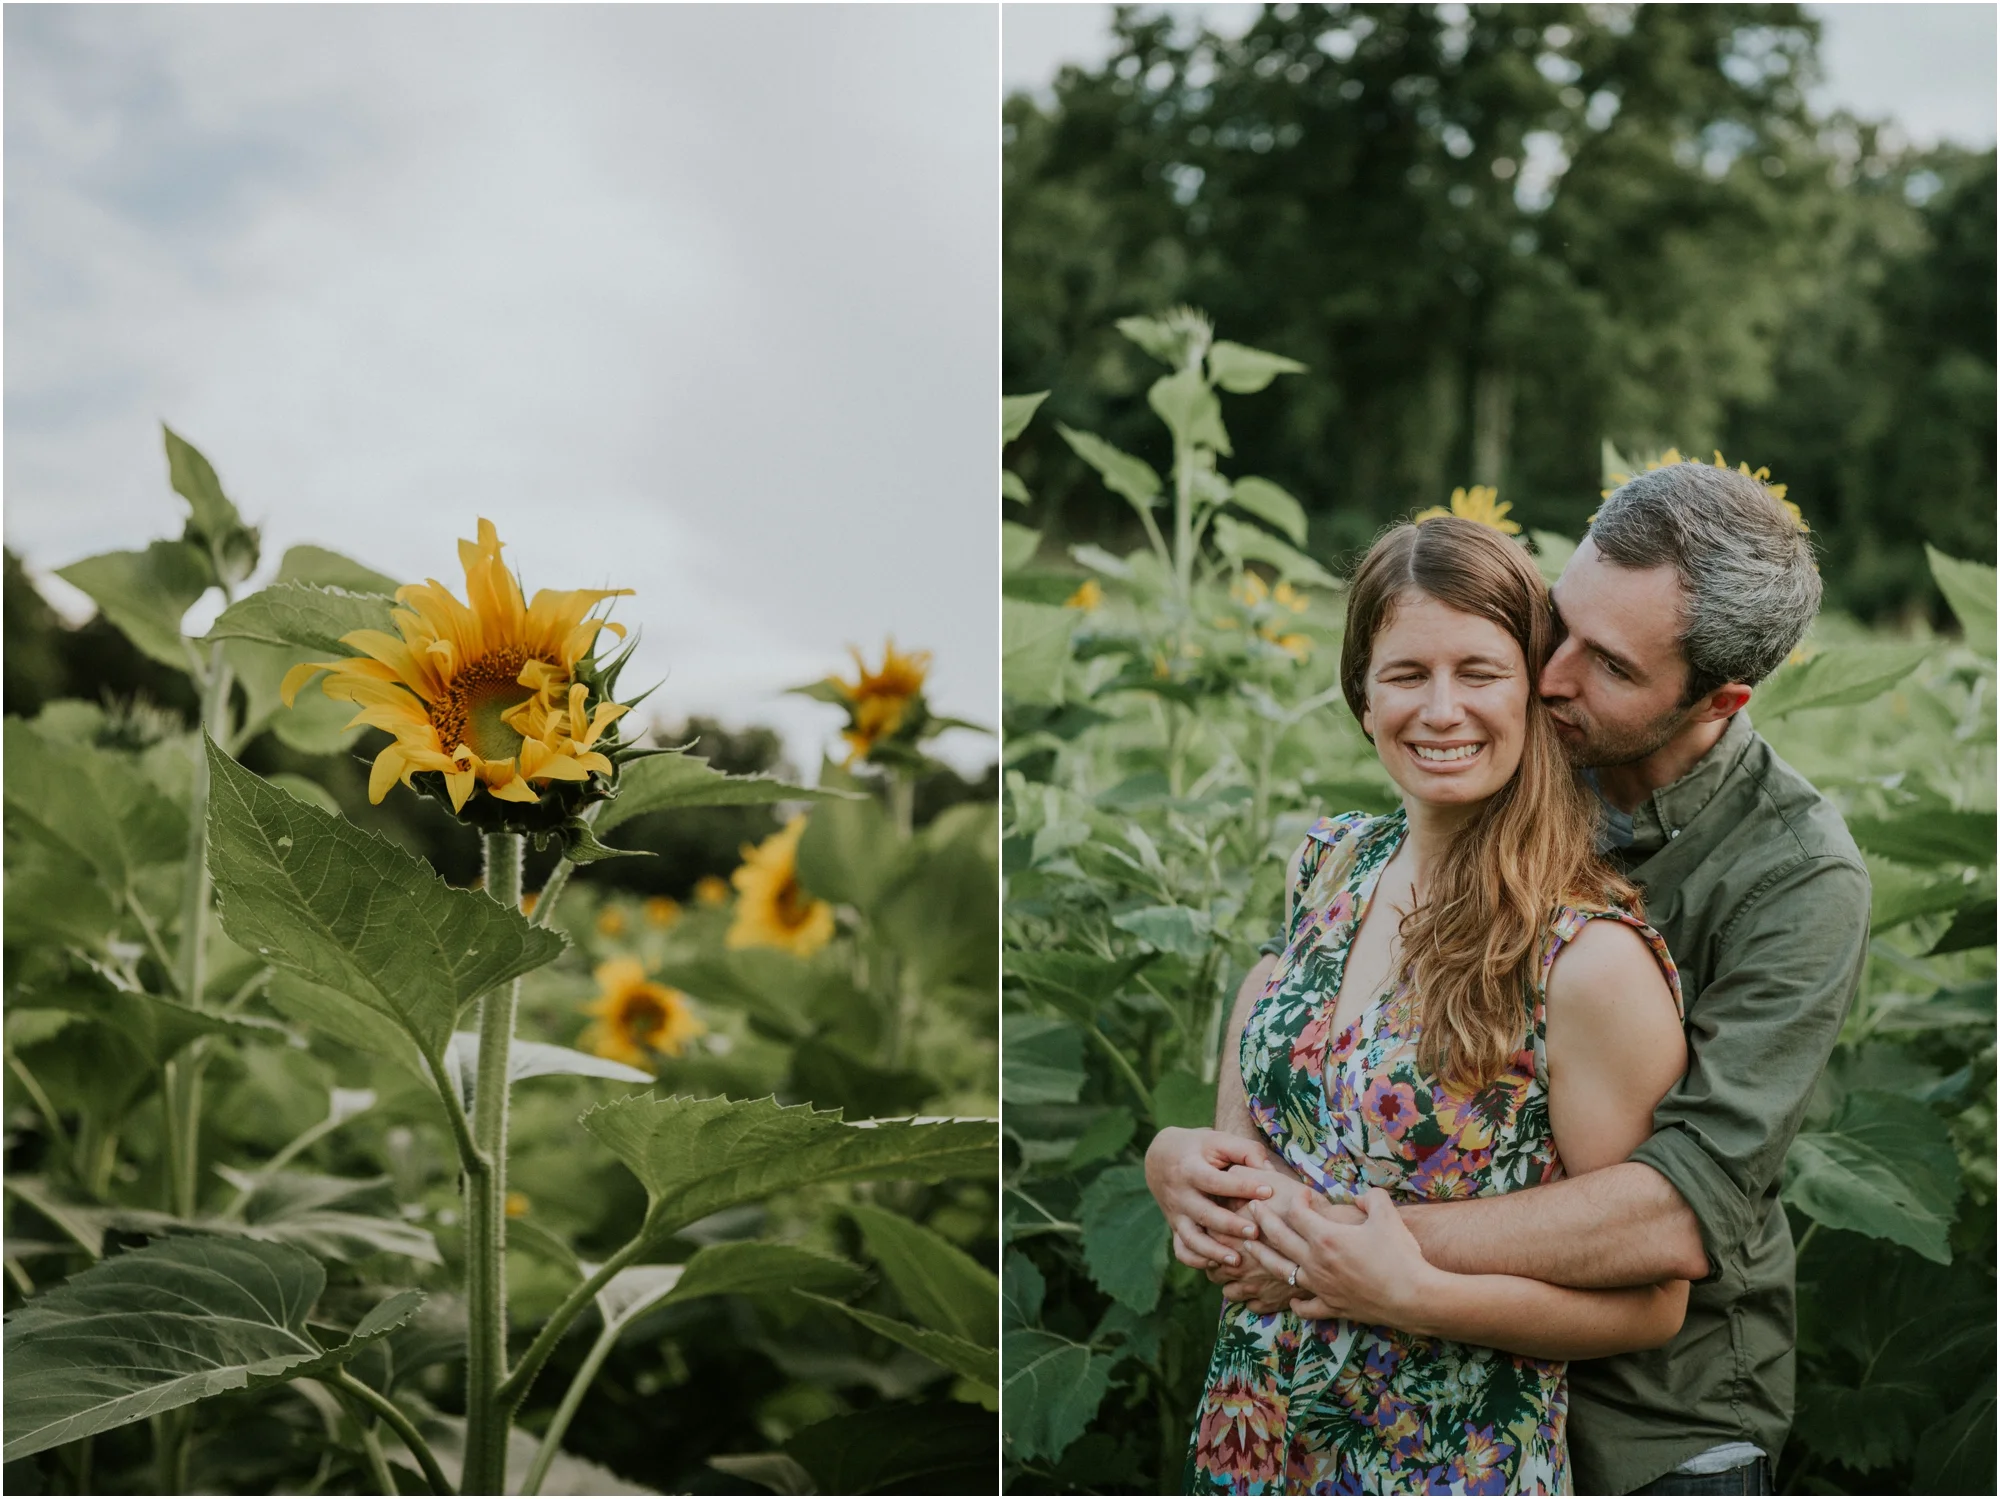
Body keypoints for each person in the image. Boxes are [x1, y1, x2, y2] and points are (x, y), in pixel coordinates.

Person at [1150, 461, 1869, 1495]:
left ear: (1716, 698)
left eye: (1609, 664)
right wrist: (1201, 1161)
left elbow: (1675, 1210)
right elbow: (1298, 981)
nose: (1552, 674)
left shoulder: (1793, 875)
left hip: (1651, 1410)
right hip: (1362, 1390)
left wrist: (1332, 1243)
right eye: (1554, 625)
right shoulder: (1493, 764)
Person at [1177, 513, 1692, 1495]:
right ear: (1360, 697)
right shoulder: (1330, 863)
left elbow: (1653, 1300)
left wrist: (1414, 1291)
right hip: (1258, 1437)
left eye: (1479, 671)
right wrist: (1190, 1168)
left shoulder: (1584, 958)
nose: (1440, 708)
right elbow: (1277, 1067)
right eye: (1406, 674)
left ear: (1536, 690)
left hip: (1442, 1463)